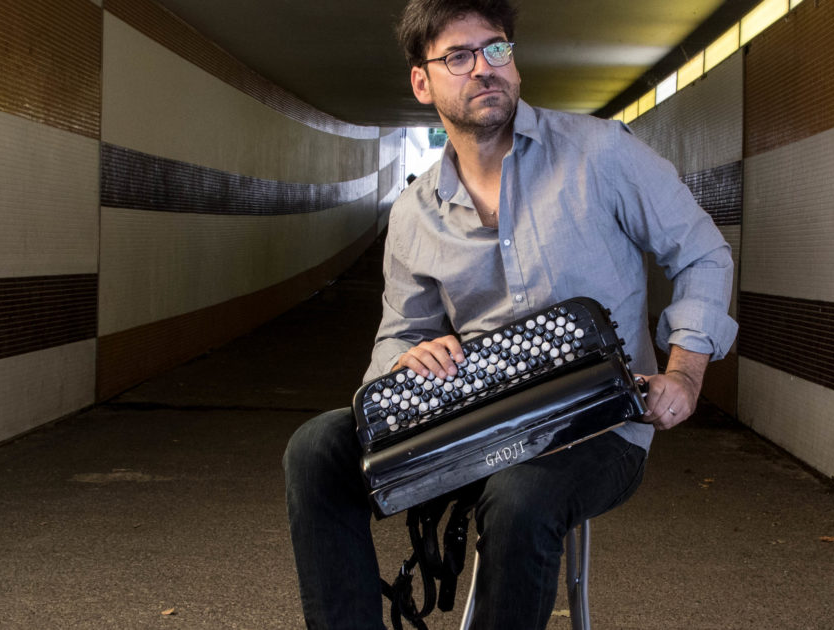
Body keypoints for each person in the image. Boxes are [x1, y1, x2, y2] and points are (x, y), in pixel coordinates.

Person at [284, 0, 737, 627]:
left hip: (600, 426)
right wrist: (407, 360)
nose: (484, 67)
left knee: (521, 493)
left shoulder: (601, 153)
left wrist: (684, 373)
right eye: (458, 57)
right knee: (315, 450)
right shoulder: (415, 214)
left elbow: (703, 253)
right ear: (422, 82)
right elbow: (397, 338)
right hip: (474, 424)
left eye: (496, 47)